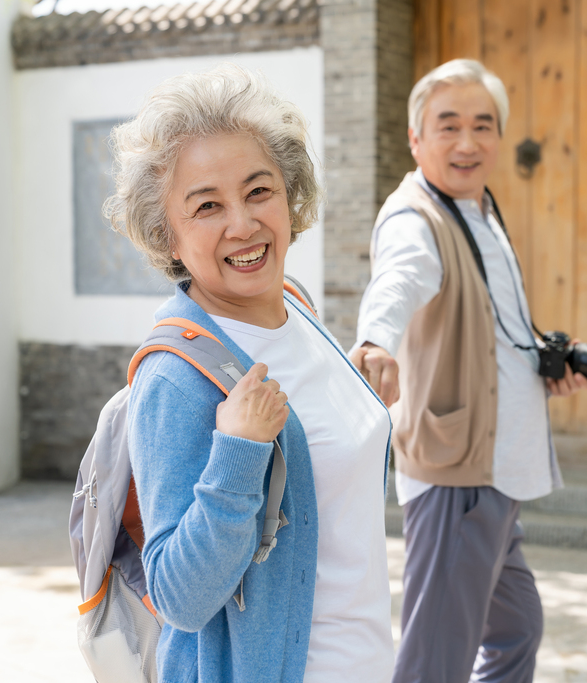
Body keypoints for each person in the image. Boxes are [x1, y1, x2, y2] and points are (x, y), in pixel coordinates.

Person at [105, 65, 394, 683]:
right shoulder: (175, 380)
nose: (242, 223)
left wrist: (364, 394)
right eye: (207, 206)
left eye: (258, 191)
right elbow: (180, 599)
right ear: (170, 238)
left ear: (289, 195)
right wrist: (238, 453)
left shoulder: (297, 306)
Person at [349, 59, 587, 683]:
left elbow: (493, 323)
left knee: (515, 630)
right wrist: (376, 339)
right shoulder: (415, 217)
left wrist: (547, 361)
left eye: (483, 126)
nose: (467, 142)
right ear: (416, 138)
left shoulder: (480, 210)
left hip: (497, 473)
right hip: (458, 477)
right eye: (448, 125)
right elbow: (398, 280)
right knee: (436, 660)